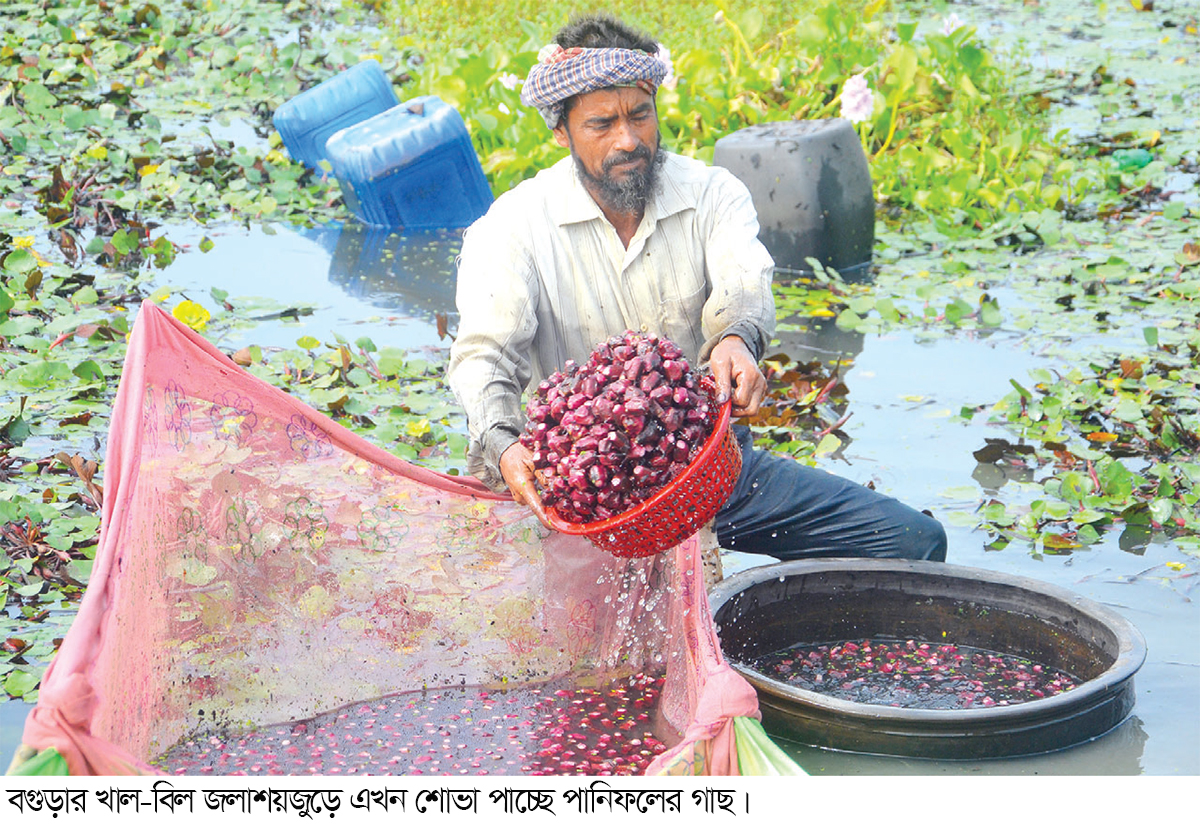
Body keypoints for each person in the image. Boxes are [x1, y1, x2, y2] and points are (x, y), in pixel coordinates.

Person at [447, 13, 946, 563]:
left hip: (710, 467)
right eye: (601, 124)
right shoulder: (513, 227)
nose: (629, 139)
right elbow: (485, 354)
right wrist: (504, 441)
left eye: (641, 115)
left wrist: (735, 340)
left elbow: (744, 283)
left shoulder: (712, 194)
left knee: (912, 541)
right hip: (590, 496)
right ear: (562, 131)